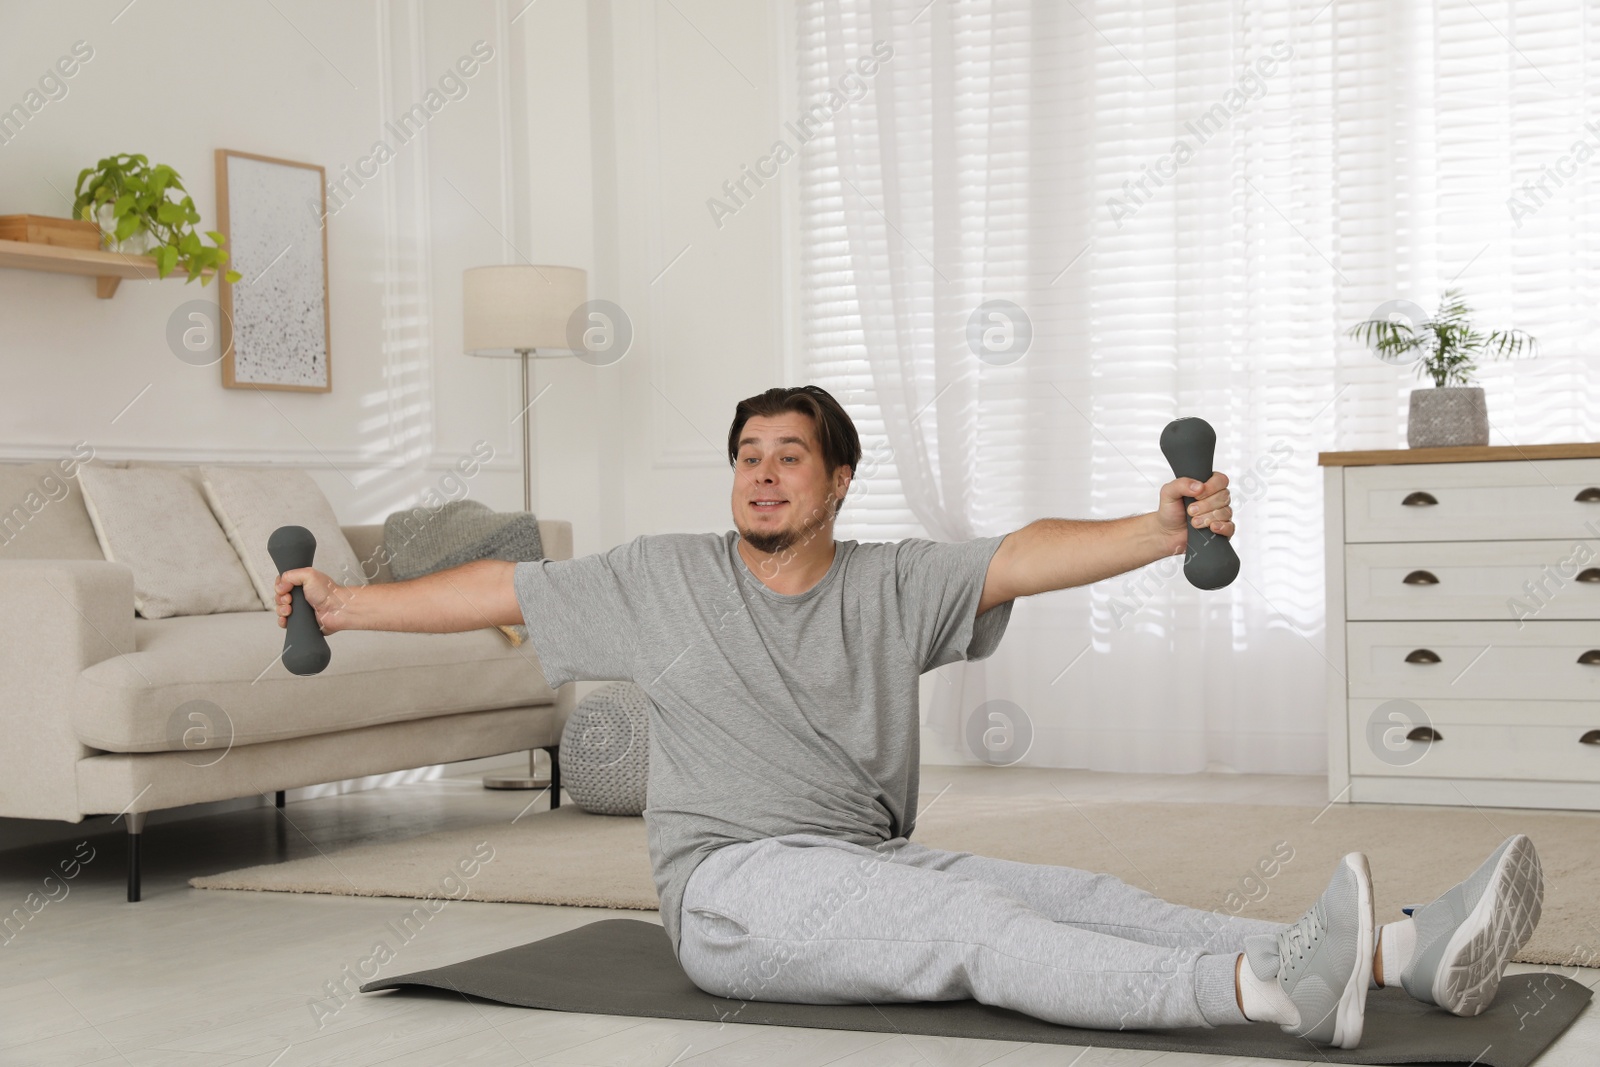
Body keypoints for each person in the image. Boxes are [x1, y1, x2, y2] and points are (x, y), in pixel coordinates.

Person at [275, 384, 1544, 1048]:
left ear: (836, 480)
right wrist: (351, 599)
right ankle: (1260, 990)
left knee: (1087, 894)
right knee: (974, 923)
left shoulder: (890, 580)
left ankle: (1396, 957)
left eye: (787, 454)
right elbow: (502, 586)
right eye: (746, 454)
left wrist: (1158, 533)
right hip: (731, 889)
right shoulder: (658, 576)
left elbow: (1024, 552)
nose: (761, 473)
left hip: (861, 858)